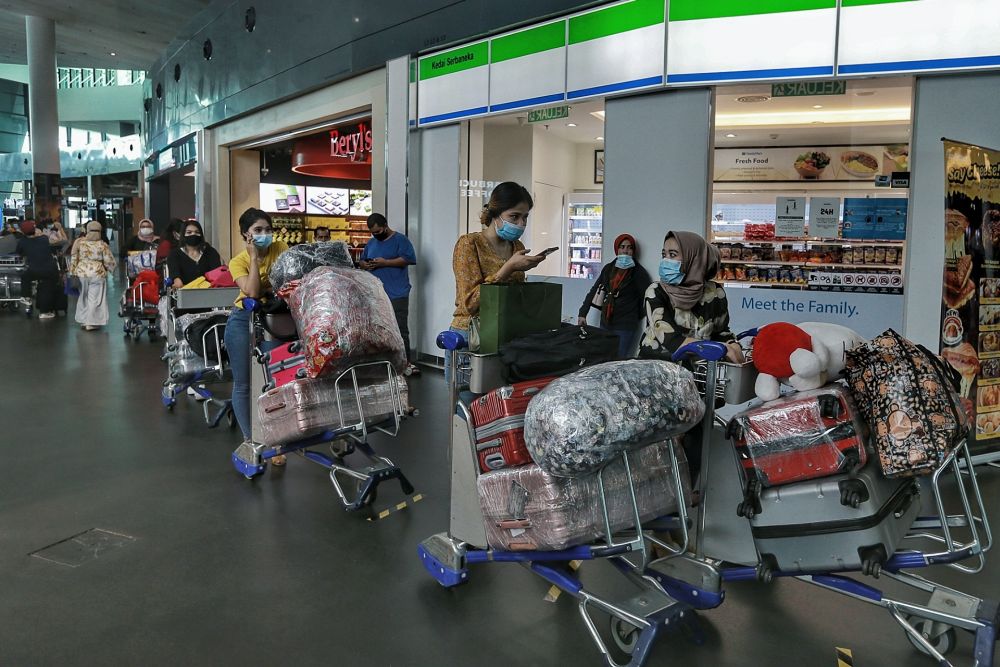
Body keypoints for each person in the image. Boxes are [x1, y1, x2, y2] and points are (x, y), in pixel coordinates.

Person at [639, 231, 742, 478]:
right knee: (659, 435)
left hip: (697, 376)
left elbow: (722, 330)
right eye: (664, 255)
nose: (666, 261)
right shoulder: (656, 292)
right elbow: (669, 338)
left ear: (694, 260)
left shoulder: (715, 293)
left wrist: (733, 345)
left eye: (674, 255)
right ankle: (656, 487)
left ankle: (689, 487)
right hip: (658, 375)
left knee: (697, 430)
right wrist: (716, 349)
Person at [449, 181, 549, 379]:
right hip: (472, 335)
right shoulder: (469, 244)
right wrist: (508, 268)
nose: (521, 223)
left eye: (525, 217)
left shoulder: (516, 245)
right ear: (495, 214)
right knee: (470, 402)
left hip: (505, 334)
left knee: (502, 403)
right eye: (514, 216)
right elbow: (469, 302)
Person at [224, 208, 290, 461]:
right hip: (243, 320)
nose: (265, 234)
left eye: (268, 229)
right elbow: (251, 292)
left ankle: (277, 440)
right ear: (246, 235)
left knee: (275, 380)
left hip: (274, 318)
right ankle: (251, 440)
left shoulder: (281, 247)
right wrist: (254, 259)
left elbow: (289, 279)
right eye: (258, 231)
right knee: (243, 383)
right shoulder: (238, 261)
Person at [359, 213, 419, 376]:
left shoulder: (401, 240)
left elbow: (409, 259)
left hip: (398, 292)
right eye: (373, 232)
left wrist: (386, 262)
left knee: (400, 329)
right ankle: (385, 362)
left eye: (379, 231)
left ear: (385, 225)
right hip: (377, 295)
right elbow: (362, 261)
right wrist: (366, 264)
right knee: (379, 331)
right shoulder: (371, 243)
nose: (376, 235)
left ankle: (406, 363)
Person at [577, 234, 652, 358]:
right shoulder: (608, 269)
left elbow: (648, 298)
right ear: (617, 249)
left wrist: (633, 314)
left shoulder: (638, 273)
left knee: (618, 360)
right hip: (606, 322)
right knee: (603, 358)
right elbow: (595, 289)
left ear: (633, 251)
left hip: (625, 326)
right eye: (622, 247)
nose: (625, 251)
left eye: (629, 247)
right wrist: (583, 313)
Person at [69, 220, 117, 331]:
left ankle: (83, 319)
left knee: (83, 296)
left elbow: (74, 258)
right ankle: (91, 322)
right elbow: (109, 261)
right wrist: (112, 270)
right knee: (94, 299)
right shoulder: (102, 244)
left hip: (81, 273)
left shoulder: (79, 242)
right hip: (97, 274)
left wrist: (72, 273)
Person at [16, 220, 61, 319]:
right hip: (50, 270)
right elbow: (58, 241)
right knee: (47, 288)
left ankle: (25, 296)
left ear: (22, 232)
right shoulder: (44, 239)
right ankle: (44, 312)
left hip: (33, 270)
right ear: (35, 229)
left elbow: (19, 253)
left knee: (25, 276)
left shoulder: (22, 242)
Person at [166, 219, 223, 288]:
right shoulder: (174, 254)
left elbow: (217, 275)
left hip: (209, 292)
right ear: (183, 235)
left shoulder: (211, 252)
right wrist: (178, 282)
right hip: (185, 293)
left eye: (197, 232)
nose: (193, 235)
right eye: (189, 232)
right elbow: (176, 276)